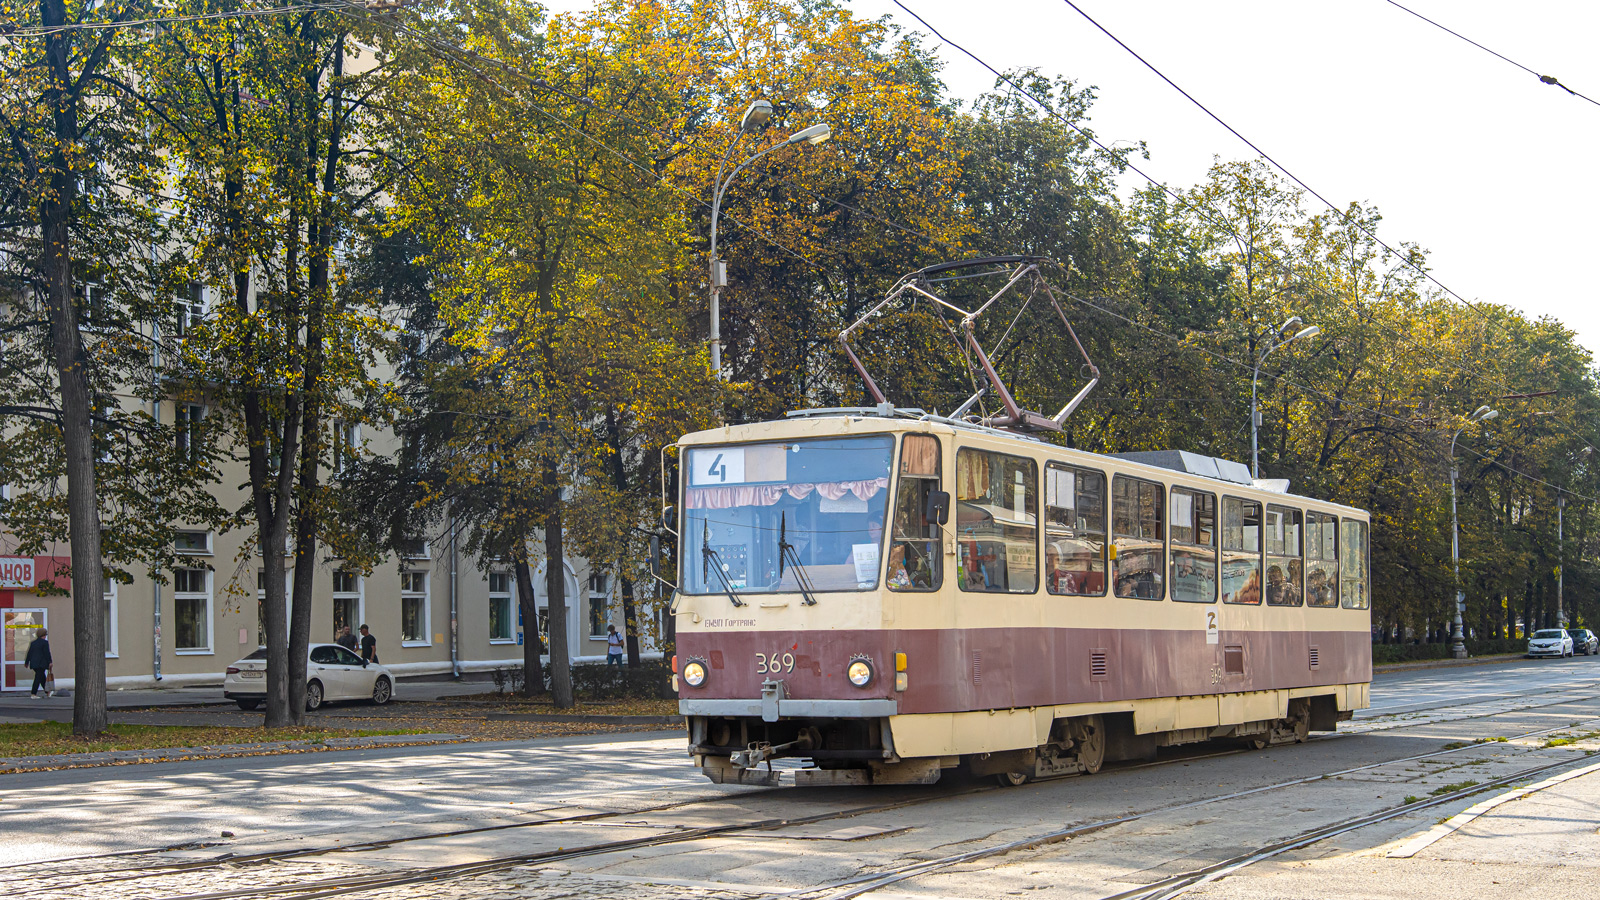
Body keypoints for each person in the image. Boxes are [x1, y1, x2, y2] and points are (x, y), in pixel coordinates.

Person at [25, 628, 51, 698]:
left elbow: (29, 653)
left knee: (41, 677)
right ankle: (33, 693)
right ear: (43, 635)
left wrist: (26, 662)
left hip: (34, 663)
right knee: (38, 678)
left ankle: (47, 691)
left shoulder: (33, 643)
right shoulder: (45, 643)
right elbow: (47, 653)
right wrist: (50, 662)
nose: (45, 636)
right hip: (41, 663)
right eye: (45, 635)